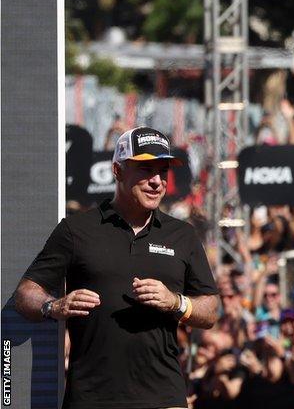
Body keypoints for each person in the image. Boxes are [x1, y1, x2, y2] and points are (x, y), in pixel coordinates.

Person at [15, 126, 220, 408]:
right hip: (92, 398)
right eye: (146, 170)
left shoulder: (183, 235)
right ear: (117, 171)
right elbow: (25, 293)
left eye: (163, 171)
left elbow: (210, 311)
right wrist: (54, 307)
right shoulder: (76, 230)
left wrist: (176, 302)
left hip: (164, 396)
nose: (157, 181)